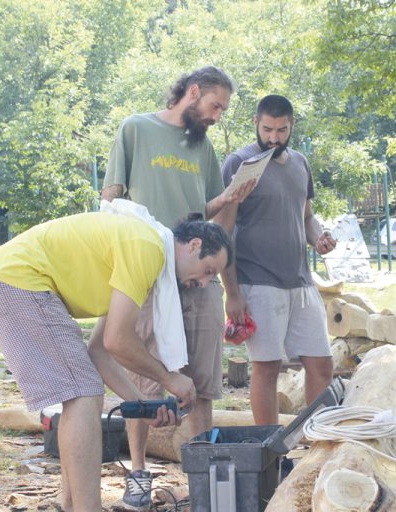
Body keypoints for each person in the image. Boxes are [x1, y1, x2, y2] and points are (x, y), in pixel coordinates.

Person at [0, 210, 234, 512]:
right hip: (13, 284)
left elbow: (99, 351)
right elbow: (117, 340)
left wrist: (141, 403)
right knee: (84, 393)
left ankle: (72, 504)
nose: (204, 282)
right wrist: (169, 379)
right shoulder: (147, 248)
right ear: (194, 245)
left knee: (83, 392)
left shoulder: (141, 250)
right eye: (209, 270)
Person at [100, 65, 255, 510]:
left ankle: (204, 479)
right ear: (192, 92)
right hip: (146, 272)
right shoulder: (135, 128)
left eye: (222, 109)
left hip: (197, 273)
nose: (218, 116)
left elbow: (201, 208)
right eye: (215, 105)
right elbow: (110, 199)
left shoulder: (202, 145)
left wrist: (226, 200)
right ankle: (139, 477)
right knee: (144, 383)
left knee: (203, 383)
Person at [217, 94, 337, 426]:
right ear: (256, 123)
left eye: (281, 130)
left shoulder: (300, 163)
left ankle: (317, 441)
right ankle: (267, 449)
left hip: (300, 281)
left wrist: (319, 237)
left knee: (322, 365)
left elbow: (307, 217)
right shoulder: (239, 163)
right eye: (267, 129)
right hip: (256, 281)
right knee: (267, 367)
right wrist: (233, 292)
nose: (274, 138)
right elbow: (223, 230)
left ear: (291, 126)